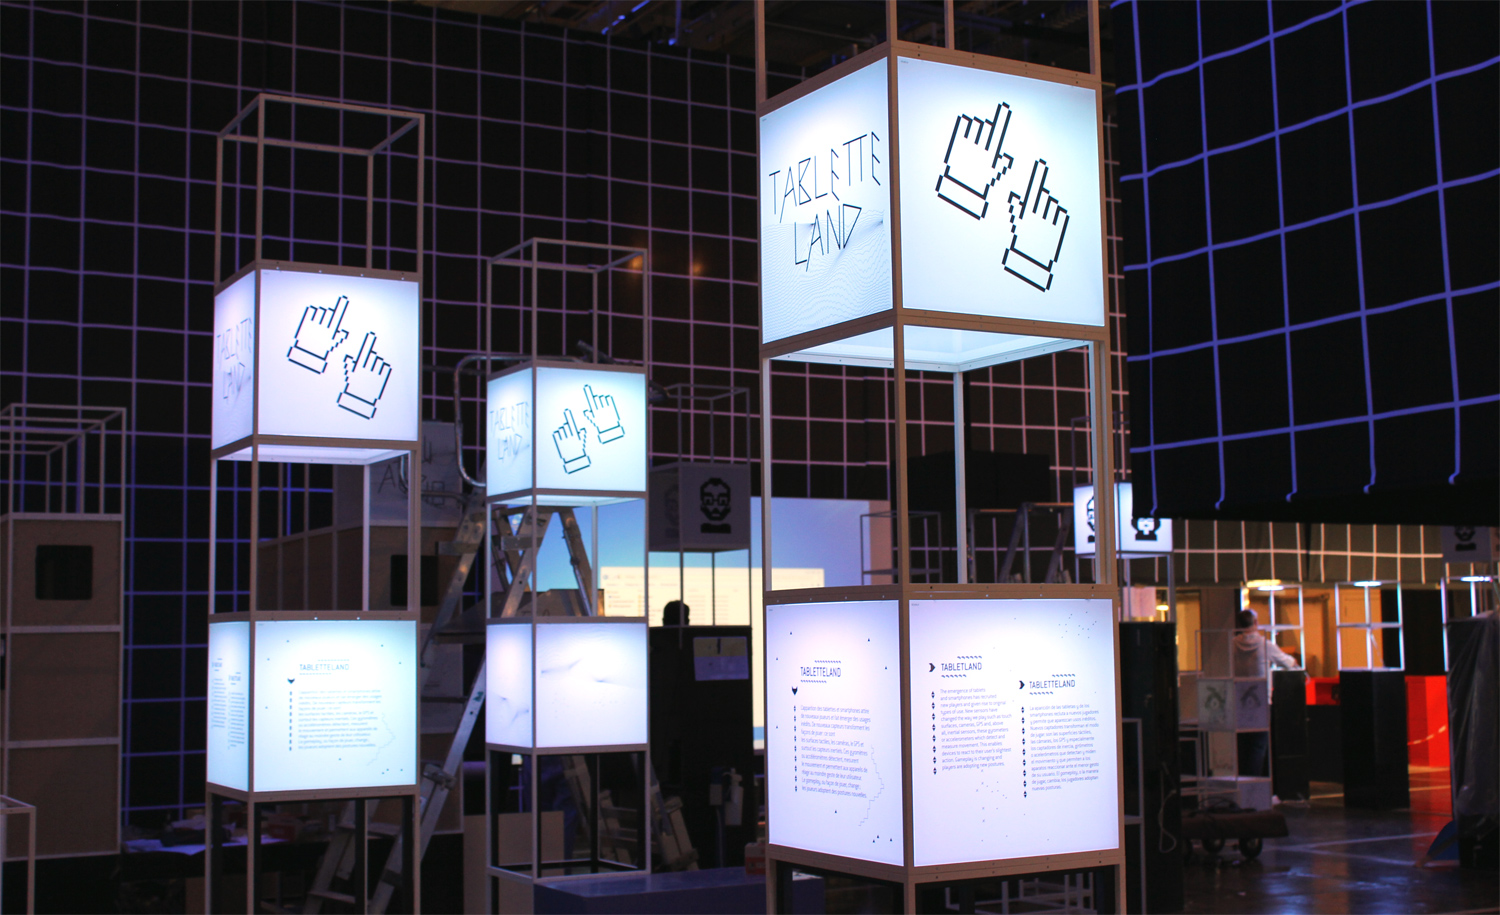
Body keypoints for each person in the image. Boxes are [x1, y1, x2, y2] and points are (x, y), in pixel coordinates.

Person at [1233, 607, 1299, 678]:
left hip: (1238, 685)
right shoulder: (1265, 645)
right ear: (1255, 622)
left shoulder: (1233, 643)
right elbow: (1289, 663)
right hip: (1262, 685)